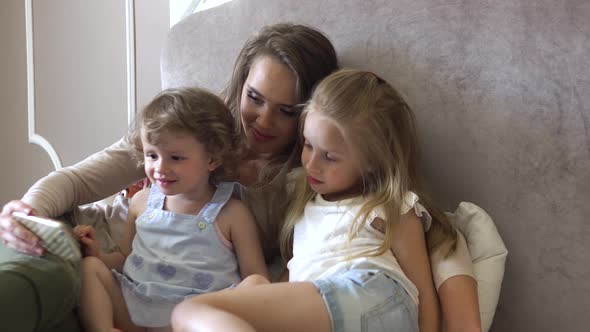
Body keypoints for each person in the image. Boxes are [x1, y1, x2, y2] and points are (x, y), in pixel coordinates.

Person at [0, 23, 479, 331]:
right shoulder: (193, 131)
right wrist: (29, 207)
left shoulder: (308, 185)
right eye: (254, 97)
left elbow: (418, 234)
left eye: (286, 111)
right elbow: (87, 177)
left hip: (209, 297)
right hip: (104, 243)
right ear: (239, 84)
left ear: (311, 115)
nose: (263, 122)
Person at [171, 69, 456, 332]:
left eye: (330, 157)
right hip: (331, 310)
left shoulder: (390, 204)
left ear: (373, 161)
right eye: (307, 145)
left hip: (371, 294)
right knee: (252, 285)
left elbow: (423, 291)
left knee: (190, 311)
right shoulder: (304, 201)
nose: (312, 164)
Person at [72, 87, 269, 331]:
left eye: (176, 158)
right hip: (136, 307)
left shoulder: (231, 213)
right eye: (152, 156)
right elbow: (125, 258)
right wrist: (97, 255)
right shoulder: (141, 202)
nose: (160, 168)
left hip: (196, 317)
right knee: (90, 269)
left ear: (212, 159)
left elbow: (255, 278)